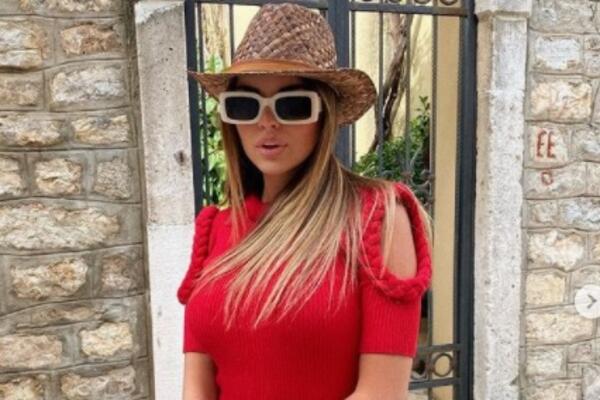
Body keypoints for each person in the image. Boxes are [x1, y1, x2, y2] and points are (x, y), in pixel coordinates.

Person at [177, 3, 433, 400]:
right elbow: (196, 386)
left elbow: (381, 394)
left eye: (292, 105)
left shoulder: (377, 217)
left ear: (324, 114)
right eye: (245, 105)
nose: (266, 122)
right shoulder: (216, 228)